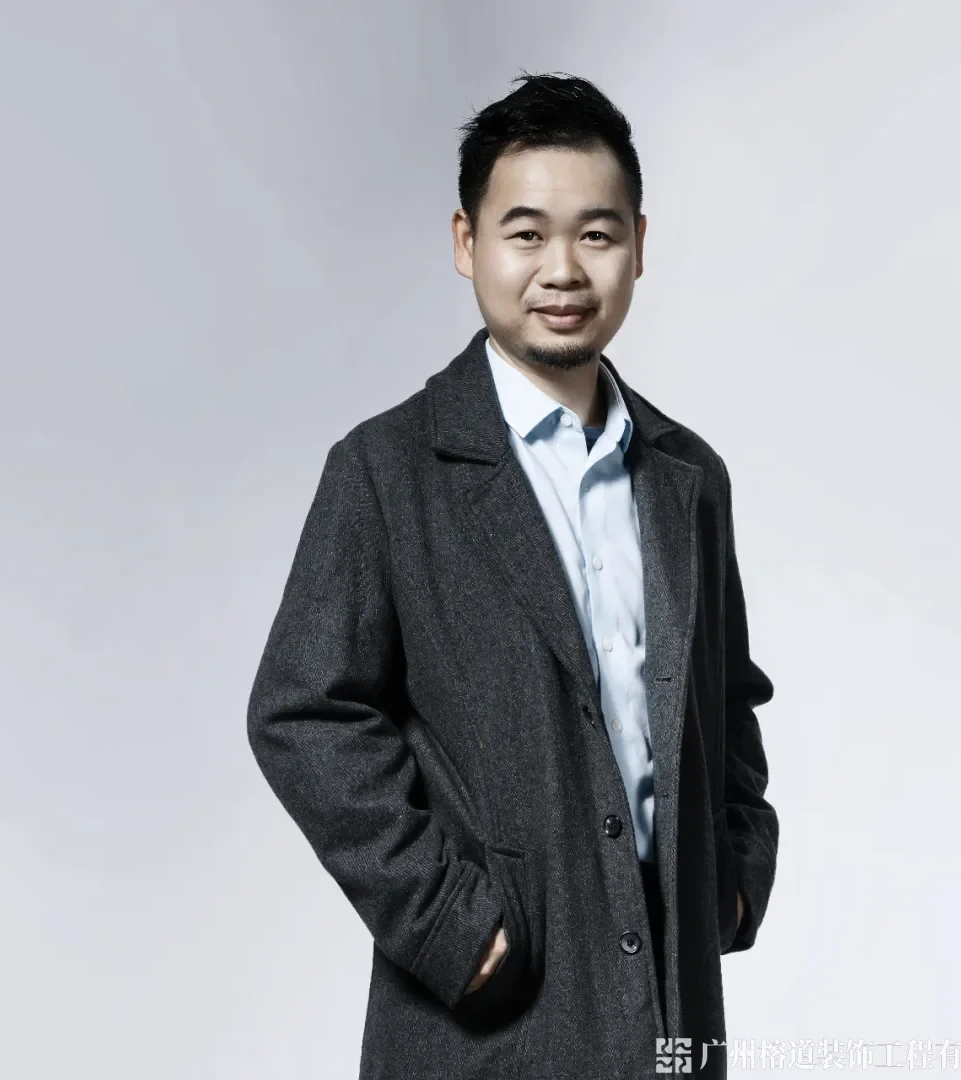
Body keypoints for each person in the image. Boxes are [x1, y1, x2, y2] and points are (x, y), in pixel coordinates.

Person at [247, 70, 777, 1080]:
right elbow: (301, 711)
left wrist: (734, 875)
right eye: (526, 234)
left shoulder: (688, 478)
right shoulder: (387, 471)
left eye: (596, 233)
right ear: (467, 243)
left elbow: (727, 700)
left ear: (638, 245)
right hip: (489, 1028)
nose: (562, 269)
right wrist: (452, 923)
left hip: (669, 1017)